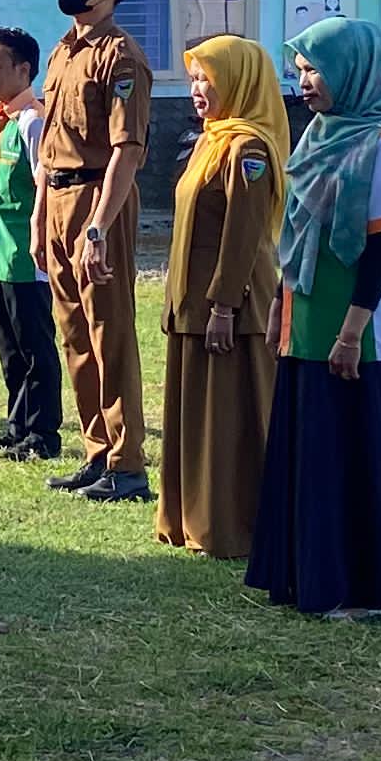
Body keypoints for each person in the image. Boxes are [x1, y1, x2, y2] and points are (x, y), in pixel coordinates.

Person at [248, 15, 381, 618]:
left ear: (355, 72)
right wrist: (283, 303)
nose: (305, 81)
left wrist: (352, 332)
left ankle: (367, 587)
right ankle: (308, 574)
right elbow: (296, 235)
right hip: (308, 325)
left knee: (358, 455)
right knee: (316, 452)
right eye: (303, 70)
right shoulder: (318, 136)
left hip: (358, 335)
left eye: (317, 70)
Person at [158, 32, 288, 558]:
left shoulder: (248, 148)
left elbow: (242, 234)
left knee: (230, 421)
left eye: (206, 79)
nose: (196, 89)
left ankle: (233, 525)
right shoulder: (212, 140)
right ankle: (191, 517)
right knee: (196, 416)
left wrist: (223, 306)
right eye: (192, 79)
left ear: (237, 81)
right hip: (192, 305)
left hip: (227, 308)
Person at [38, 0, 154, 502]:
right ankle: (96, 451)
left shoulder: (121, 56)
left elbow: (126, 151)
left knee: (110, 332)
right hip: (57, 196)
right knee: (74, 333)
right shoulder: (62, 51)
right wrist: (41, 217)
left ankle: (127, 462)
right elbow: (50, 149)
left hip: (97, 200)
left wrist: (98, 229)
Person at [0, 27, 62, 465]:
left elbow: (44, 183)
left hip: (26, 259)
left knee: (35, 349)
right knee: (8, 348)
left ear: (23, 70)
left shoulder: (31, 121)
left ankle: (43, 433)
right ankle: (16, 426)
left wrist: (40, 241)